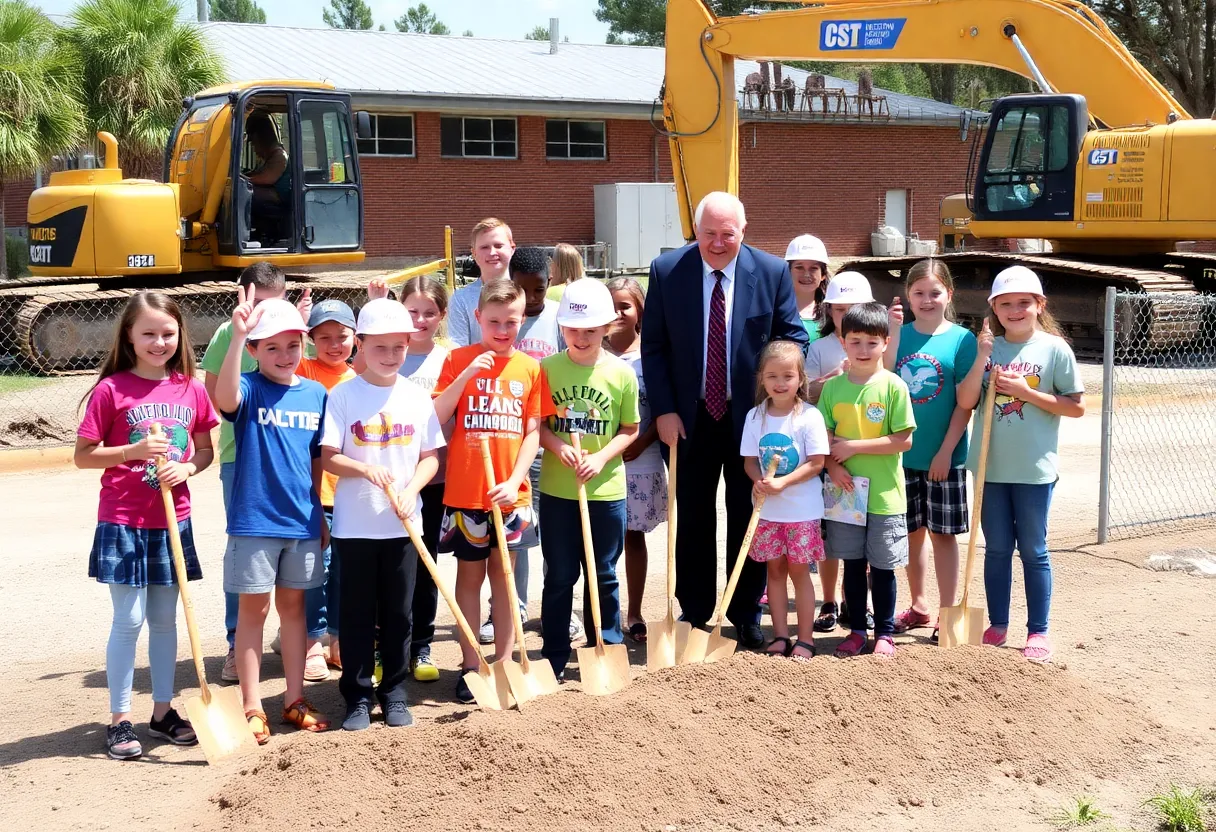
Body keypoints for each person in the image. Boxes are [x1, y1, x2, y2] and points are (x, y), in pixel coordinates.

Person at [641, 191, 808, 649]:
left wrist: (779, 390)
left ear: (743, 231)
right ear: (695, 231)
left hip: (751, 422)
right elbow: (653, 347)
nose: (717, 243)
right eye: (708, 234)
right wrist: (665, 411)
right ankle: (694, 613)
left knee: (748, 515)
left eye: (727, 235)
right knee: (692, 520)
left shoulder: (772, 272)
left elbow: (793, 336)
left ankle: (744, 610)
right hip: (686, 421)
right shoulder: (667, 270)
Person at [75, 292, 216, 760]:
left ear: (180, 337)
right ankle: (119, 719)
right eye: (149, 334)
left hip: (172, 519)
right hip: (124, 518)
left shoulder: (190, 388)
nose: (159, 342)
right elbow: (82, 456)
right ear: (130, 337)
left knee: (164, 619)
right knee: (129, 619)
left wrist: (189, 470)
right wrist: (129, 453)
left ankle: (161, 711)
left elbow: (203, 450)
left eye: (168, 334)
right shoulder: (111, 390)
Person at [321, 299, 444, 730]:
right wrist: (364, 468)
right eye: (380, 347)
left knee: (399, 612)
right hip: (355, 526)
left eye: (398, 347)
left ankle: (394, 692)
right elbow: (329, 457)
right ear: (361, 345)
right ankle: (356, 697)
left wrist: (411, 488)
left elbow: (431, 457)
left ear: (408, 345)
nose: (390, 356)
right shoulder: (343, 395)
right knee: (356, 614)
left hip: (403, 526)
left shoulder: (415, 397)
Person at [215, 291, 330, 742]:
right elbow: (223, 398)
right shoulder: (247, 386)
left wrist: (319, 513)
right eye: (271, 347)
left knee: (295, 611)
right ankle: (250, 705)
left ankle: (293, 699)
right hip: (254, 522)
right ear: (253, 351)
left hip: (301, 522)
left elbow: (317, 459)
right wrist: (239, 332)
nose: (285, 356)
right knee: (253, 613)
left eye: (293, 345)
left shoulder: (317, 394)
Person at [956, 266, 1084, 664]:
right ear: (994, 307)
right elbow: (966, 401)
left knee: (1032, 549)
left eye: (1023, 303)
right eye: (1006, 304)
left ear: (1039, 305)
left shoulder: (1054, 348)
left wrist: (1026, 394)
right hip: (990, 467)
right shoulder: (986, 348)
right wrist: (982, 360)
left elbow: (1075, 406)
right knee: (995, 549)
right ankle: (997, 624)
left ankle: (1038, 630)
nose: (1015, 310)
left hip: (1033, 469)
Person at [432, 278, 544, 704]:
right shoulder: (458, 359)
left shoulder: (530, 368)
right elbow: (436, 415)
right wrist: (465, 376)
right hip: (465, 492)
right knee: (469, 577)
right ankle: (470, 663)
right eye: (493, 321)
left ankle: (503, 660)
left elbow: (532, 432)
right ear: (478, 318)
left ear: (522, 320)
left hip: (509, 495)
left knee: (505, 578)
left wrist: (516, 480)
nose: (502, 330)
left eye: (510, 322)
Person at [200, 262, 311, 683]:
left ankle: (298, 638)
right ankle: (236, 643)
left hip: (291, 462)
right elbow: (218, 393)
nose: (268, 310)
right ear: (241, 294)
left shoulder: (290, 332)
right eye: (260, 302)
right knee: (246, 559)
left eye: (276, 301)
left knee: (295, 565)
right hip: (240, 456)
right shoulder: (231, 334)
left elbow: (305, 380)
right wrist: (240, 335)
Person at [538, 279, 639, 676]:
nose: (582, 337)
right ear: (562, 328)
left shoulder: (620, 374)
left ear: (607, 329)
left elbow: (629, 429)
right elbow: (538, 426)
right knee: (560, 574)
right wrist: (556, 445)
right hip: (558, 491)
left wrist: (600, 459)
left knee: (604, 573)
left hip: (605, 491)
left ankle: (607, 646)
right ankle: (555, 655)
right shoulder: (546, 370)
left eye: (591, 330)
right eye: (574, 329)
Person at [478, 245, 572, 644]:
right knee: (513, 533)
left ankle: (558, 609)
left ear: (551, 284)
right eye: (524, 290)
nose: (533, 299)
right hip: (506, 442)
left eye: (540, 290)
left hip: (549, 440)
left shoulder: (558, 318)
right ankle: (509, 608)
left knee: (550, 530)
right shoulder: (504, 321)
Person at [883, 260, 977, 645]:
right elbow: (884, 381)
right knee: (910, 533)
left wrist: (946, 451)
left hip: (945, 458)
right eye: (919, 293)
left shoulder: (961, 340)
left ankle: (946, 609)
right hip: (901, 456)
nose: (927, 300)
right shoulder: (898, 336)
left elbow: (964, 404)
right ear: (908, 296)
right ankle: (919, 605)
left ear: (948, 295)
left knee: (942, 535)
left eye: (934, 293)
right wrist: (890, 331)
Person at [819, 302, 915, 658]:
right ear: (843, 342)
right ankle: (857, 630)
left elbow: (904, 440)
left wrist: (853, 446)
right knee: (853, 565)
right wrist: (833, 465)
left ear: (886, 343)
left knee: (883, 567)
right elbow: (825, 441)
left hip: (885, 497)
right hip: (845, 495)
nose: (863, 349)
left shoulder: (893, 387)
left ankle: (885, 633)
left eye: (871, 343)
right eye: (855, 341)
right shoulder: (832, 389)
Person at [275, 299, 356, 680]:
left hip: (348, 495)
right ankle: (311, 643)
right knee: (314, 573)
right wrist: (297, 321)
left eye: (342, 337)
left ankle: (338, 639)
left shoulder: (358, 379)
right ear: (310, 340)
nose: (334, 345)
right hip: (313, 494)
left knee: (343, 572)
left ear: (356, 338)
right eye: (323, 337)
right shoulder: (304, 369)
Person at [741, 340, 829, 661]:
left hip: (801, 513)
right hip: (767, 513)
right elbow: (750, 461)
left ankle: (804, 638)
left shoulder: (809, 417)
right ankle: (780, 635)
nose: (780, 383)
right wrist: (759, 480)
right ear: (761, 379)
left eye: (788, 376)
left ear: (800, 379)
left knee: (798, 572)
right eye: (772, 376)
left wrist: (783, 482)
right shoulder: (755, 417)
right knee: (774, 573)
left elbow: (817, 462)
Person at [804, 270, 874, 634]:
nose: (845, 316)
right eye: (839, 310)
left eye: (854, 308)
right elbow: (806, 393)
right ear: (828, 310)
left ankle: (854, 600)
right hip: (827, 452)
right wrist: (835, 377)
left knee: (860, 529)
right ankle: (829, 600)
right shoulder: (819, 348)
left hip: (864, 453)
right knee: (830, 532)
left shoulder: (874, 345)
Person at [396, 276, 453, 682]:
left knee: (425, 563)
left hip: (433, 479)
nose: (420, 319)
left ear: (442, 315)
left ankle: (421, 646)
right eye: (412, 311)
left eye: (429, 312)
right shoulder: (387, 353)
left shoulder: (448, 358)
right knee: (391, 567)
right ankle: (388, 646)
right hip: (387, 480)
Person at [605, 277, 663, 642]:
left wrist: (642, 442)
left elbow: (663, 408)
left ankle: (635, 610)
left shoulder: (652, 355)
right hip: (602, 463)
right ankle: (602, 613)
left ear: (640, 309)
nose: (617, 313)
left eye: (625, 306)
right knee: (601, 541)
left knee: (632, 536)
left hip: (641, 460)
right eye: (611, 306)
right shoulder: (593, 352)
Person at [447, 218, 516, 347]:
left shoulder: (526, 293)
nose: (492, 252)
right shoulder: (461, 299)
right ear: (474, 253)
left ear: (512, 248)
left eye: (498, 245)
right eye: (484, 247)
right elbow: (458, 348)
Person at [243, 111, 291, 234]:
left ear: (261, 139)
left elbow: (267, 178)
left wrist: (244, 179)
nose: (254, 149)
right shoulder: (270, 158)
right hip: (272, 196)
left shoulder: (280, 156)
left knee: (242, 194)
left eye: (254, 143)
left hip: (281, 200)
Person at [783, 234, 830, 341]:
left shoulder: (833, 312)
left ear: (823, 275)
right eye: (799, 267)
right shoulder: (775, 310)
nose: (806, 274)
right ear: (788, 272)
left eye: (813, 268)